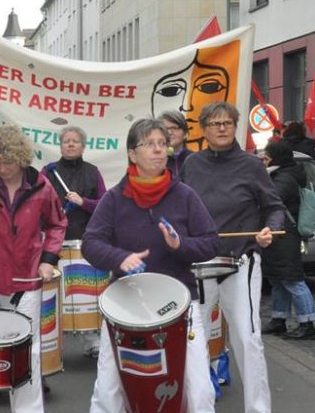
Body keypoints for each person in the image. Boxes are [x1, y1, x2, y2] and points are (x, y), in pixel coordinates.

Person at [82, 118, 219, 413]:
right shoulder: (115, 198)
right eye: (149, 144)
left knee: (199, 390)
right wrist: (119, 257)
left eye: (162, 144)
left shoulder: (185, 195)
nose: (159, 150)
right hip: (125, 305)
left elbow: (210, 243)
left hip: (180, 305)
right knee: (108, 388)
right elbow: (91, 243)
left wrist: (179, 245)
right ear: (132, 153)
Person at [181, 101, 285, 413]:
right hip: (199, 266)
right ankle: (199, 407)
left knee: (247, 338)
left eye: (227, 123)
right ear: (204, 129)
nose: (222, 128)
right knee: (191, 340)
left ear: (235, 126)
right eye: (215, 123)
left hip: (240, 262)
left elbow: (274, 207)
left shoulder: (252, 165)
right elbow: (179, 209)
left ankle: (259, 409)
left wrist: (270, 229)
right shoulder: (191, 165)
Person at [0, 123, 67, 413]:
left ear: (21, 157)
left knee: (28, 355)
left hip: (25, 281)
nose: (2, 168)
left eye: (7, 162)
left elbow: (57, 224)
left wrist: (48, 259)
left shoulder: (43, 187)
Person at [42, 125, 106, 358]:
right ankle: (52, 346)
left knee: (86, 296)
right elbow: (36, 203)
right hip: (55, 243)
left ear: (83, 146)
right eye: (66, 141)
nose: (70, 144)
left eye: (75, 141)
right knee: (56, 295)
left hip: (84, 240)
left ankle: (92, 340)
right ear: (60, 145)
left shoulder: (92, 171)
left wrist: (84, 203)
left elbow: (103, 205)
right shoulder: (48, 172)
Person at [261, 140, 315, 340]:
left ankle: (307, 323)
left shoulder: (285, 178)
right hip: (278, 235)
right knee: (278, 280)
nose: (263, 161)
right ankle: (279, 319)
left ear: (276, 159)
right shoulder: (281, 174)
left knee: (293, 280)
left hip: (286, 236)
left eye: (266, 158)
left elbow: (271, 198)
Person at [157, 110, 193, 175]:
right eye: (165, 129)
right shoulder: (153, 161)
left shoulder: (196, 160)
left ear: (185, 133)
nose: (169, 132)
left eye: (174, 128)